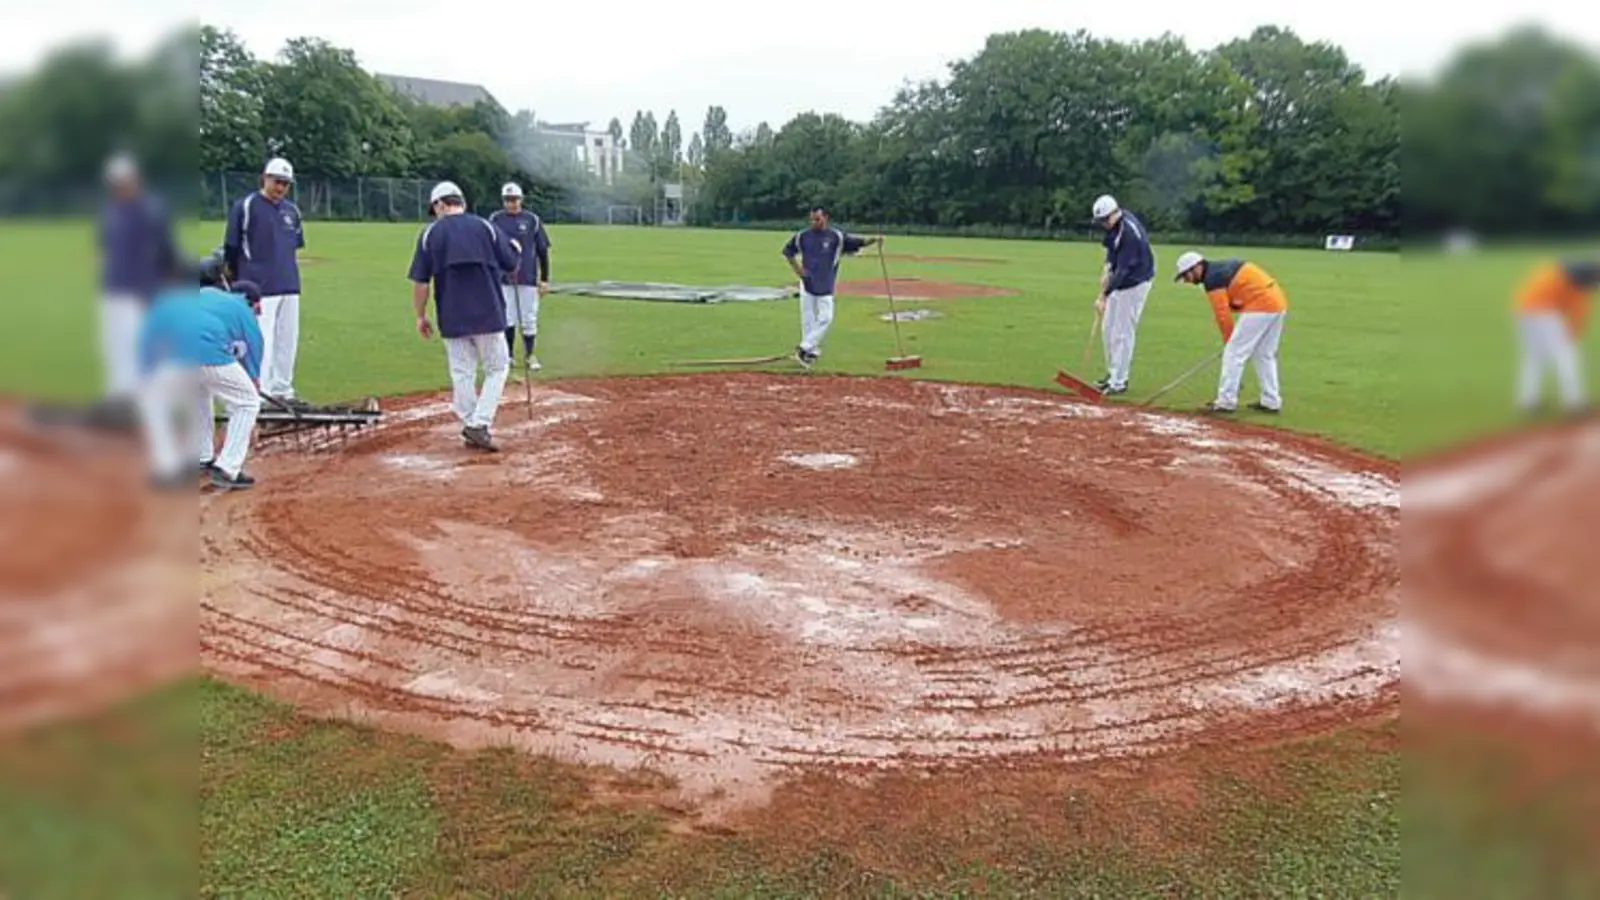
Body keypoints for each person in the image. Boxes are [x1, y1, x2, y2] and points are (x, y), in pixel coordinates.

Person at [409, 181, 520, 452]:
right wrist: (515, 247)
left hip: (451, 315)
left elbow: (420, 282)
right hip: (488, 311)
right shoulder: (485, 226)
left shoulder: (429, 234)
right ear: (461, 202)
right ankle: (479, 423)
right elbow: (511, 262)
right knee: (497, 367)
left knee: (462, 372)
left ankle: (471, 421)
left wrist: (420, 316)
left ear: (440, 205)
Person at [137, 254, 264, 491]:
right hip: (207, 351)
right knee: (247, 402)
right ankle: (227, 468)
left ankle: (201, 457)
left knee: (199, 395)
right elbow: (253, 345)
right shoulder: (239, 305)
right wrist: (254, 380)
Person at [98, 152, 179, 408]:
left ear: (135, 180)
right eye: (116, 182)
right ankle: (119, 397)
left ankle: (145, 400)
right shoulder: (111, 211)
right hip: (113, 287)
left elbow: (166, 251)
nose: (120, 187)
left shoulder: (151, 210)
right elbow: (105, 248)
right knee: (114, 345)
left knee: (140, 345)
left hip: (142, 289)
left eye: (124, 181)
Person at [223, 156, 305, 407]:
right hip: (258, 287)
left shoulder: (292, 211)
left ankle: (283, 389)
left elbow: (293, 247)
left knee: (287, 339)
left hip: (289, 284)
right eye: (277, 181)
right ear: (264, 178)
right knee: (262, 339)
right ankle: (262, 392)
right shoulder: (246, 206)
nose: (281, 187)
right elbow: (231, 248)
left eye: (286, 184)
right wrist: (237, 282)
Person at [1172, 251, 1288, 414]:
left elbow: (1222, 314)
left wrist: (1229, 342)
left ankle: (1226, 401)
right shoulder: (1218, 270)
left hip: (1260, 305)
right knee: (1264, 355)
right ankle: (1271, 401)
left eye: (1185, 275)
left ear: (1196, 268)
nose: (1186, 280)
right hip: (1277, 303)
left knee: (1234, 354)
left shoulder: (1213, 279)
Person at [781, 206, 880, 369]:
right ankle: (809, 352)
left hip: (825, 283)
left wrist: (874, 240)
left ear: (826, 218)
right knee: (808, 320)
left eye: (817, 219)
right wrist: (799, 271)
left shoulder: (836, 237)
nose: (814, 222)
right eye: (812, 219)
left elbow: (858, 242)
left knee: (826, 317)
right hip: (806, 283)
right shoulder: (802, 236)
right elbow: (788, 252)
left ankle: (804, 348)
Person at [1511, 259, 1599, 414]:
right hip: (1543, 313)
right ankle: (1574, 401)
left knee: (1534, 357)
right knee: (1567, 355)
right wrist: (1573, 333)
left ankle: (1527, 400)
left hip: (1521, 310)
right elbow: (1579, 312)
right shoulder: (1577, 284)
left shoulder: (1553, 271)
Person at [1091, 194, 1156, 396]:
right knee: (1107, 328)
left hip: (1135, 283)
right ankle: (1112, 374)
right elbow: (1111, 257)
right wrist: (1105, 274)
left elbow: (1122, 272)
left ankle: (1119, 380)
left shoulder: (1129, 233)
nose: (1102, 225)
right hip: (1121, 280)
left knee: (1123, 332)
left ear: (1113, 214)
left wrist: (1103, 296)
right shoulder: (1114, 226)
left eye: (1104, 220)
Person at [487, 182, 552, 375]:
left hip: (528, 277)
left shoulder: (532, 219)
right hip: (503, 278)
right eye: (507, 200)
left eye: (514, 199)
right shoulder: (495, 219)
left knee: (529, 317)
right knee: (507, 318)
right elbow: (489, 249)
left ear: (521, 199)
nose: (511, 204)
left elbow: (542, 250)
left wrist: (545, 278)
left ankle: (530, 355)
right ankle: (508, 355)